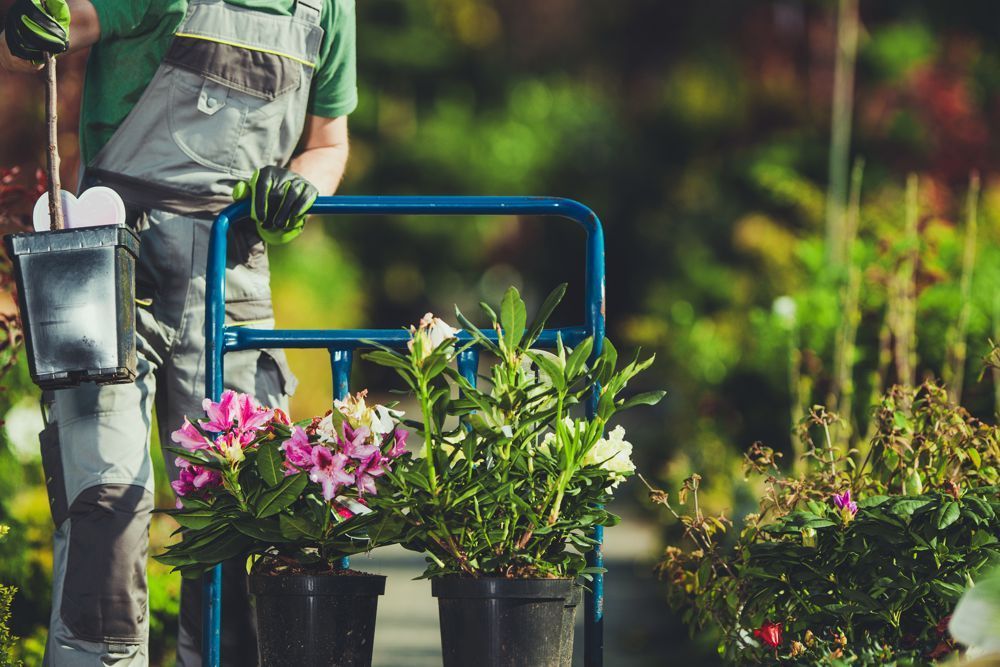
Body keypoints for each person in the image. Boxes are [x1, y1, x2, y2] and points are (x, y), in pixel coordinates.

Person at [0, 0, 356, 663]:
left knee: (240, 519)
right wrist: (31, 21)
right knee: (107, 505)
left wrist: (300, 186)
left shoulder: (325, 9)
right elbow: (65, 22)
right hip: (115, 274)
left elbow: (328, 142)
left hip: (235, 279)